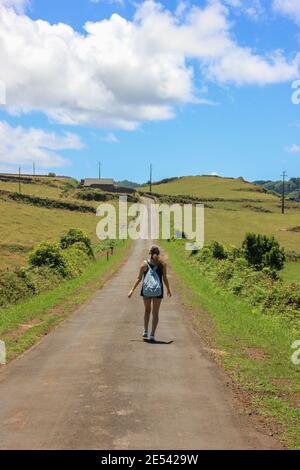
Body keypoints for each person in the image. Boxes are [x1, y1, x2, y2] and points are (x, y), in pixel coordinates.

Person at [128, 245, 172, 342]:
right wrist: (168, 289)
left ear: (150, 254)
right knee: (155, 313)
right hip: (158, 291)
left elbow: (139, 278)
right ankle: (152, 335)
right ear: (158, 253)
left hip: (146, 291)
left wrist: (132, 290)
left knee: (147, 311)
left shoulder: (144, 264)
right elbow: (165, 278)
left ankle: (145, 331)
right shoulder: (162, 265)